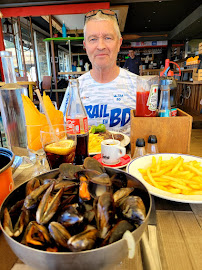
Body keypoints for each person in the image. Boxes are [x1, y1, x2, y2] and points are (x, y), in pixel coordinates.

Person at [60, 9, 138, 135]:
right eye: (93, 39)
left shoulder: (138, 85)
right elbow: (63, 133)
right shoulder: (75, 88)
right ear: (85, 46)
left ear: (119, 43)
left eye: (108, 38)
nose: (100, 46)